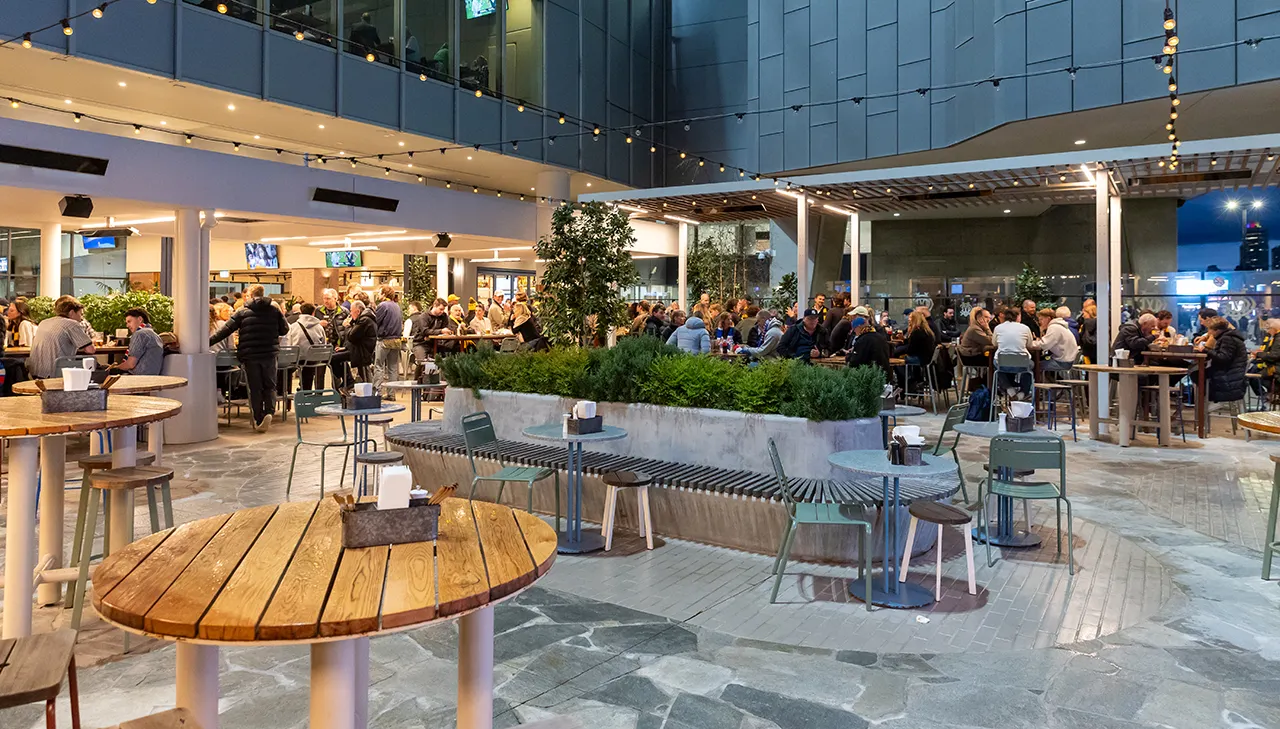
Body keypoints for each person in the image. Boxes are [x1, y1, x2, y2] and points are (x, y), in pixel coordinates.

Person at [210, 284, 289, 432]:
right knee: (270, 385)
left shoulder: (242, 311)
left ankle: (258, 418)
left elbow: (226, 331)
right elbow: (285, 330)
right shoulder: (274, 310)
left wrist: (207, 343)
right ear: (263, 293)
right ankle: (269, 412)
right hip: (269, 353)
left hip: (250, 354)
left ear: (250, 296)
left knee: (255, 387)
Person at [28, 295, 96, 378]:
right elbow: (90, 350)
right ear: (71, 313)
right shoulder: (72, 324)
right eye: (80, 314)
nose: (81, 318)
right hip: (54, 372)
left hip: (35, 372)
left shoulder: (44, 322)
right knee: (92, 368)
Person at [1201, 316, 1248, 405]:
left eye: (1210, 330)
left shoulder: (1227, 339)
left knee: (1197, 373)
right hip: (1233, 376)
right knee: (1198, 372)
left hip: (1228, 379)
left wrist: (1205, 350)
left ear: (1217, 330)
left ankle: (1201, 406)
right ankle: (1201, 403)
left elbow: (1223, 358)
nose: (1209, 333)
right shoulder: (1230, 336)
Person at [104, 308, 164, 376]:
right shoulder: (154, 334)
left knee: (104, 375)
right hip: (153, 376)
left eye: (129, 321)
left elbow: (130, 364)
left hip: (138, 378)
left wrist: (114, 368)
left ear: (140, 319)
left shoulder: (140, 334)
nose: (127, 326)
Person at [287, 303, 328, 391]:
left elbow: (289, 343)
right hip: (314, 359)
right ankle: (306, 391)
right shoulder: (319, 327)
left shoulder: (294, 326)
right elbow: (324, 344)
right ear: (313, 313)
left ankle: (287, 391)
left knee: (287, 370)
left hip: (297, 359)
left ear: (300, 312)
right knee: (309, 367)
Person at [340, 299, 377, 386]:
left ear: (358, 311)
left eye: (351, 311)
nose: (350, 314)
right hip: (361, 350)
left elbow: (352, 337)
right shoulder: (366, 318)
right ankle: (348, 382)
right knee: (365, 374)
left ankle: (349, 382)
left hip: (361, 352)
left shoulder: (364, 320)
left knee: (334, 359)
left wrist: (347, 326)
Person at [372, 285, 404, 387]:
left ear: (384, 294)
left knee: (379, 366)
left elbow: (376, 321)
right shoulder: (396, 306)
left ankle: (377, 391)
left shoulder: (383, 305)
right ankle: (392, 393)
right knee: (393, 368)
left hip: (384, 340)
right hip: (396, 340)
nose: (378, 294)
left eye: (380, 292)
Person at [845, 315, 893, 381]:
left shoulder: (862, 340)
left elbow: (855, 362)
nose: (855, 332)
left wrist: (849, 355)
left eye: (854, 330)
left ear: (858, 327)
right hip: (885, 376)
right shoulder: (880, 337)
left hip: (871, 378)